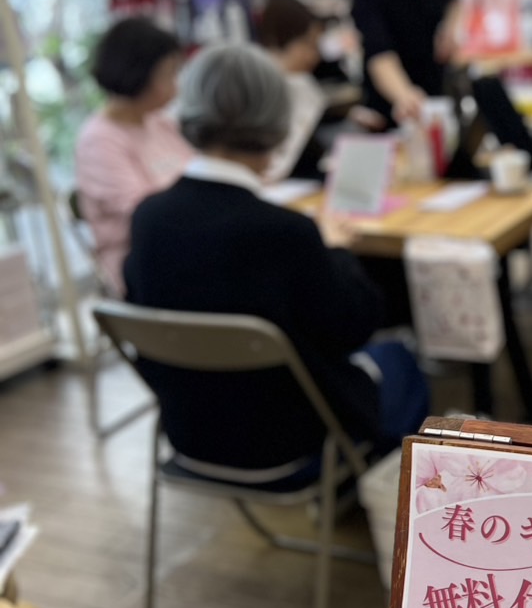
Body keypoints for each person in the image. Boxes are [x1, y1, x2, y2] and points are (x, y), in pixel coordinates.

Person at [124, 44, 428, 475]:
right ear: (277, 119)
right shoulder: (285, 232)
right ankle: (386, 492)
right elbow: (354, 325)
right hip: (290, 443)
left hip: (190, 437)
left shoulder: (147, 218)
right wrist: (335, 250)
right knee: (399, 357)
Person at [74, 16, 191, 293]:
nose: (175, 87)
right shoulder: (99, 141)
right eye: (168, 75)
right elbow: (147, 218)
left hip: (186, 248)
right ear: (138, 74)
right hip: (145, 268)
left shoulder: (159, 123)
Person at [256, 0, 330, 182]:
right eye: (307, 44)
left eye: (316, 45)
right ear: (277, 39)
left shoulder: (304, 86)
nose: (314, 55)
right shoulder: (253, 91)